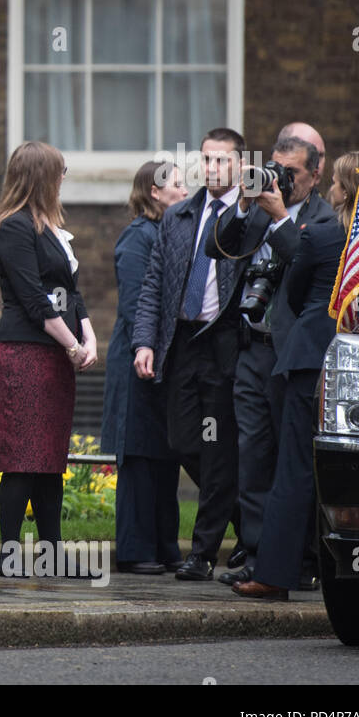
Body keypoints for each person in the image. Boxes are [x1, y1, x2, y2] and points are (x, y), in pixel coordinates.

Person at [235, 152, 359, 599]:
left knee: (293, 468)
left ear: (346, 190)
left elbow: (292, 291)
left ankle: (272, 574)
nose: (328, 189)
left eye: (334, 182)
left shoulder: (326, 232)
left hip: (311, 359)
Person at [206, 133, 331, 587]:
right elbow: (214, 249)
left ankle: (301, 560)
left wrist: (280, 219)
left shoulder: (321, 217)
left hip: (292, 356)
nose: (280, 178)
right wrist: (241, 206)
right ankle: (259, 556)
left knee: (291, 460)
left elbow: (306, 265)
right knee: (253, 457)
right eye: (275, 167)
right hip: (250, 350)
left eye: (291, 172)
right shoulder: (256, 207)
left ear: (316, 174)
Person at [133, 128, 250, 582]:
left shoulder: (249, 215)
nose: (213, 168)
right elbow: (153, 286)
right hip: (182, 342)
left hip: (225, 344)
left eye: (222, 160)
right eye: (207, 159)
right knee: (184, 441)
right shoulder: (179, 216)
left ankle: (201, 554)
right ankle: (246, 517)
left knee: (218, 449)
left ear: (240, 165)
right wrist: (144, 341)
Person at [0, 142, 95, 575]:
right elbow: (35, 299)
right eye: (60, 170)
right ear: (40, 177)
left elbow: (73, 291)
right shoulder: (14, 228)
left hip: (53, 353)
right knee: (23, 457)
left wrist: (87, 335)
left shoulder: (50, 229)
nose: (64, 176)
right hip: (23, 354)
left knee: (50, 460)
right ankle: (8, 555)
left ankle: (52, 557)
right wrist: (72, 344)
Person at [101, 161, 186, 574]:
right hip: (138, 357)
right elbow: (138, 305)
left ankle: (165, 544)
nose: (186, 190)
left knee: (163, 453)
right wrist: (146, 348)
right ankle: (136, 549)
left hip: (162, 358)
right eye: (177, 183)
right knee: (138, 454)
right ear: (154, 191)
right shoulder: (138, 237)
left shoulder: (167, 233)